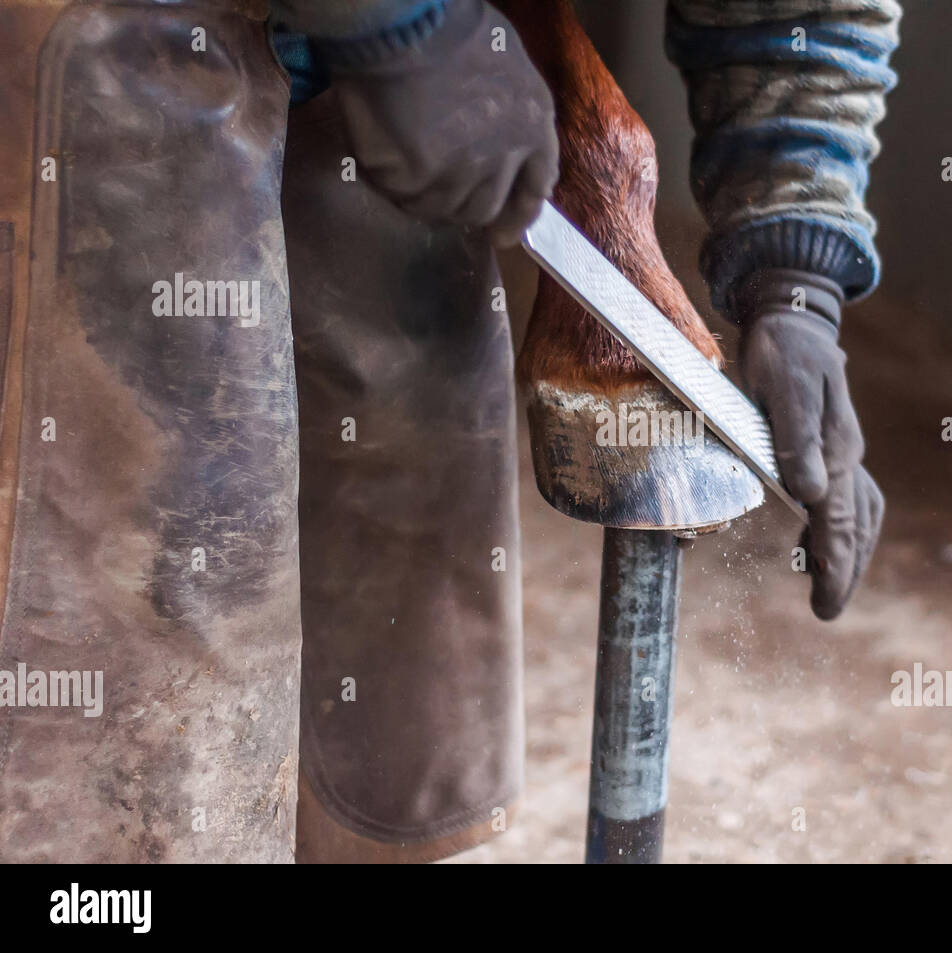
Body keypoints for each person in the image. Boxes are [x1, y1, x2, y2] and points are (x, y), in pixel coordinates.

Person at [0, 0, 897, 862]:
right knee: (139, 705)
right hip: (126, 44)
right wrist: (400, 24)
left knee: (392, 691)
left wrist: (796, 263)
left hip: (399, 87)